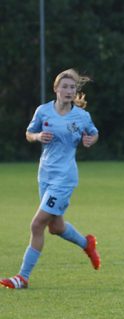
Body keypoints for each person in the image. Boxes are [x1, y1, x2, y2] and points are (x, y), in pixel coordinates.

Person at [1, 68, 102, 289]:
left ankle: (22, 277)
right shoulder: (43, 111)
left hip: (64, 178)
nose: (68, 90)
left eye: (72, 87)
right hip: (44, 175)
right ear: (56, 89)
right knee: (55, 227)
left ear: (76, 92)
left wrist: (89, 140)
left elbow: (94, 133)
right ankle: (87, 244)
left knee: (37, 224)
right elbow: (29, 133)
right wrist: (37, 136)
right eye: (64, 87)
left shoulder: (81, 116)